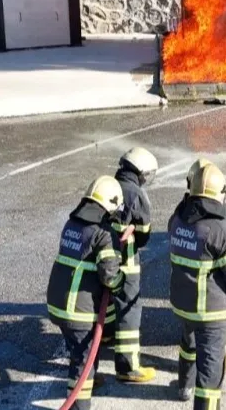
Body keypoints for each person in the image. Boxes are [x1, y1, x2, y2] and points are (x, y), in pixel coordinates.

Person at [168, 163, 226, 408]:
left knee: (188, 343)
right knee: (211, 372)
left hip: (183, 303)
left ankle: (184, 386)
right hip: (210, 312)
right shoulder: (221, 229)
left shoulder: (177, 219)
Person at [46, 175, 125, 410]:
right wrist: (121, 282)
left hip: (57, 302)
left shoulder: (71, 224)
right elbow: (110, 276)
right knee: (83, 362)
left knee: (80, 350)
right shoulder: (104, 234)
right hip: (78, 310)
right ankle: (79, 401)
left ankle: (88, 379)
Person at [109, 147, 159, 383]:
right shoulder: (136, 194)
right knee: (129, 309)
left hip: (100, 261)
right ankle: (127, 367)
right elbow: (143, 235)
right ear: (141, 172)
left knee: (104, 300)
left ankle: (106, 334)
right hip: (125, 262)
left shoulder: (108, 185)